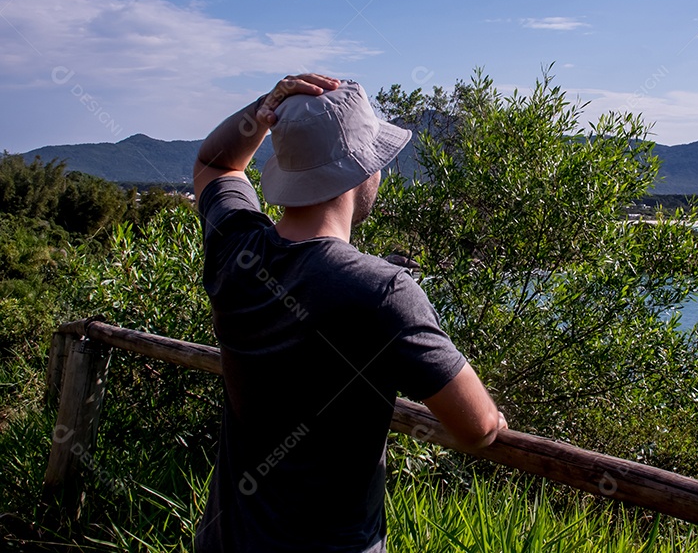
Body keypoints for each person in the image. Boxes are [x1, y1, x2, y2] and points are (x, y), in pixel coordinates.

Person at [192, 73, 505, 552]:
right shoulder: (381, 291)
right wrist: (494, 420)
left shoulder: (236, 248)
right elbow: (477, 427)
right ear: (363, 173)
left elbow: (215, 163)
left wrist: (263, 109)